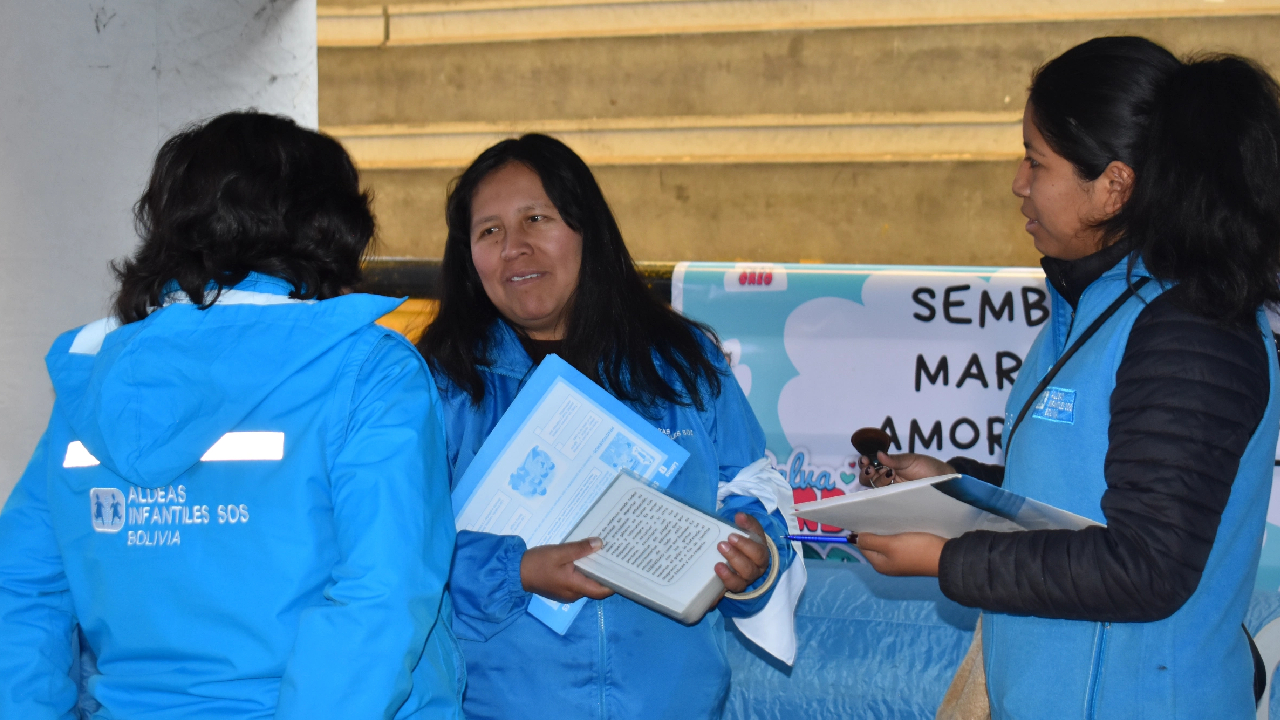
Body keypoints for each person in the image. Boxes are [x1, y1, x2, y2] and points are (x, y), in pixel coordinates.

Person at [855, 37, 1280, 719]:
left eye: (1036, 161)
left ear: (1114, 185)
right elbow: (1079, 498)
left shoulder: (1192, 331)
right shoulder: (1095, 303)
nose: (1019, 183)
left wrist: (947, 560)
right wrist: (950, 484)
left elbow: (1146, 566)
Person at [0, 112, 463, 719]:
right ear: (331, 224)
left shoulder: (95, 376)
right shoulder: (366, 370)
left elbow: (22, 590)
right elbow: (382, 596)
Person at [417, 133, 795, 719]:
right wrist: (515, 572)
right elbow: (395, 552)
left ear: (586, 229)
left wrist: (756, 557)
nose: (514, 247)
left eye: (536, 218)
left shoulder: (682, 361)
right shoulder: (439, 384)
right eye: (488, 231)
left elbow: (752, 484)